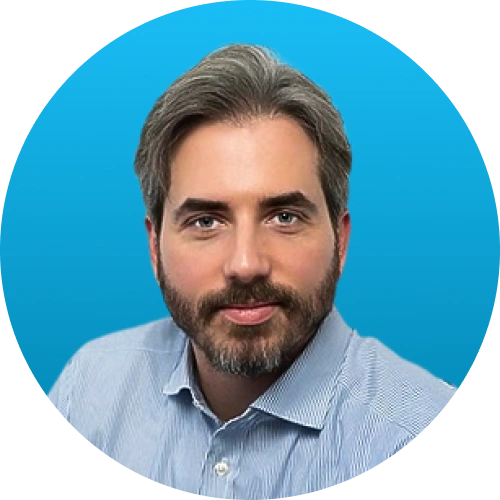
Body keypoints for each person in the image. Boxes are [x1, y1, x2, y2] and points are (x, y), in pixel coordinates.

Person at [47, 44, 456, 497]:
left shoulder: (416, 427)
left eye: (284, 217)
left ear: (341, 241)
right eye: (206, 222)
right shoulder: (88, 390)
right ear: (154, 247)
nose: (246, 265)